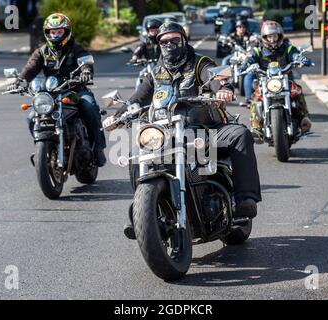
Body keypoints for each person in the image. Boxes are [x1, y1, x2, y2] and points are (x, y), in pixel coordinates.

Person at [103, 22, 262, 239]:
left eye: (174, 40)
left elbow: (215, 76)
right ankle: (142, 211)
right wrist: (119, 116)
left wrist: (223, 89)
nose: (170, 45)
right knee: (136, 154)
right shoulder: (156, 72)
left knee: (240, 135)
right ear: (158, 44)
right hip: (167, 132)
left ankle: (245, 199)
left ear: (183, 40)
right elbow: (138, 98)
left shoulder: (199, 63)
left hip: (206, 129)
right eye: (164, 41)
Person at [8, 13, 107, 167]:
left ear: (66, 32)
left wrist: (86, 72)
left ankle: (98, 148)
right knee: (31, 117)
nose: (55, 35)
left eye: (59, 32)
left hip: (75, 88)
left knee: (89, 107)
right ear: (47, 33)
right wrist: (19, 80)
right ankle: (42, 147)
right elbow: (30, 67)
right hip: (51, 93)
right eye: (52, 32)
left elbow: (86, 61)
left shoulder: (76, 48)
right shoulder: (42, 52)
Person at [239, 20, 313, 143]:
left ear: (279, 36)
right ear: (264, 37)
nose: (272, 39)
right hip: (265, 81)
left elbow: (295, 55)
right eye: (269, 36)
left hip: (285, 81)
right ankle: (256, 127)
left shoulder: (287, 48)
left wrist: (301, 59)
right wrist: (245, 65)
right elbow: (250, 58)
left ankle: (304, 119)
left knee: (298, 90)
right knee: (255, 98)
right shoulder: (258, 50)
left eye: (274, 36)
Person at [221, 19, 257, 107]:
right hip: (235, 55)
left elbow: (254, 40)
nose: (241, 29)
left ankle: (251, 93)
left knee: (252, 67)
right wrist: (225, 40)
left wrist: (254, 40)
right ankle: (222, 83)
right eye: (239, 27)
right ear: (236, 28)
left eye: (243, 27)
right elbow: (225, 40)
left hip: (245, 55)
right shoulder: (232, 36)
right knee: (225, 61)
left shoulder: (249, 35)